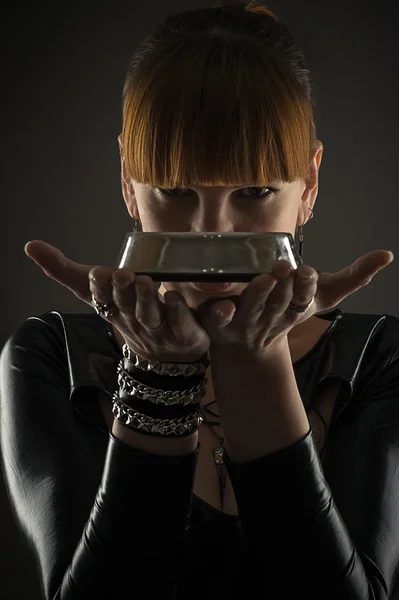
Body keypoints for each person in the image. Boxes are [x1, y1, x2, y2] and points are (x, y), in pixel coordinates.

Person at [0, 1, 397, 598]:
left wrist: (257, 362)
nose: (211, 231)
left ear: (308, 184)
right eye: (175, 189)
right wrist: (160, 373)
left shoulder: (380, 360)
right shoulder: (50, 356)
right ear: (128, 183)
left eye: (256, 189)